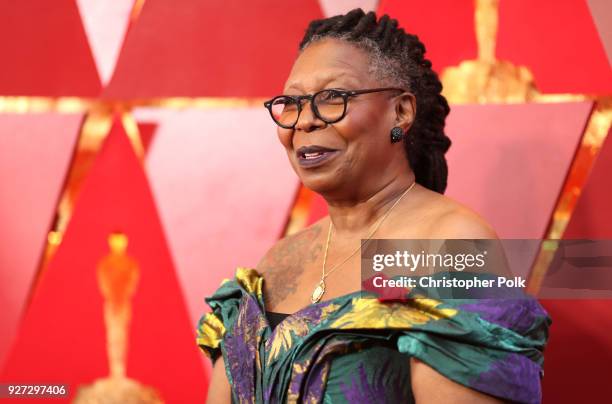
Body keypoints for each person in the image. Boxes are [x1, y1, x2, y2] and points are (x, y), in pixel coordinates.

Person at [197, 8, 550, 404]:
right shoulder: (278, 259)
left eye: (333, 98)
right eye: (292, 104)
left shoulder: (451, 244)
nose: (305, 122)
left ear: (400, 112)